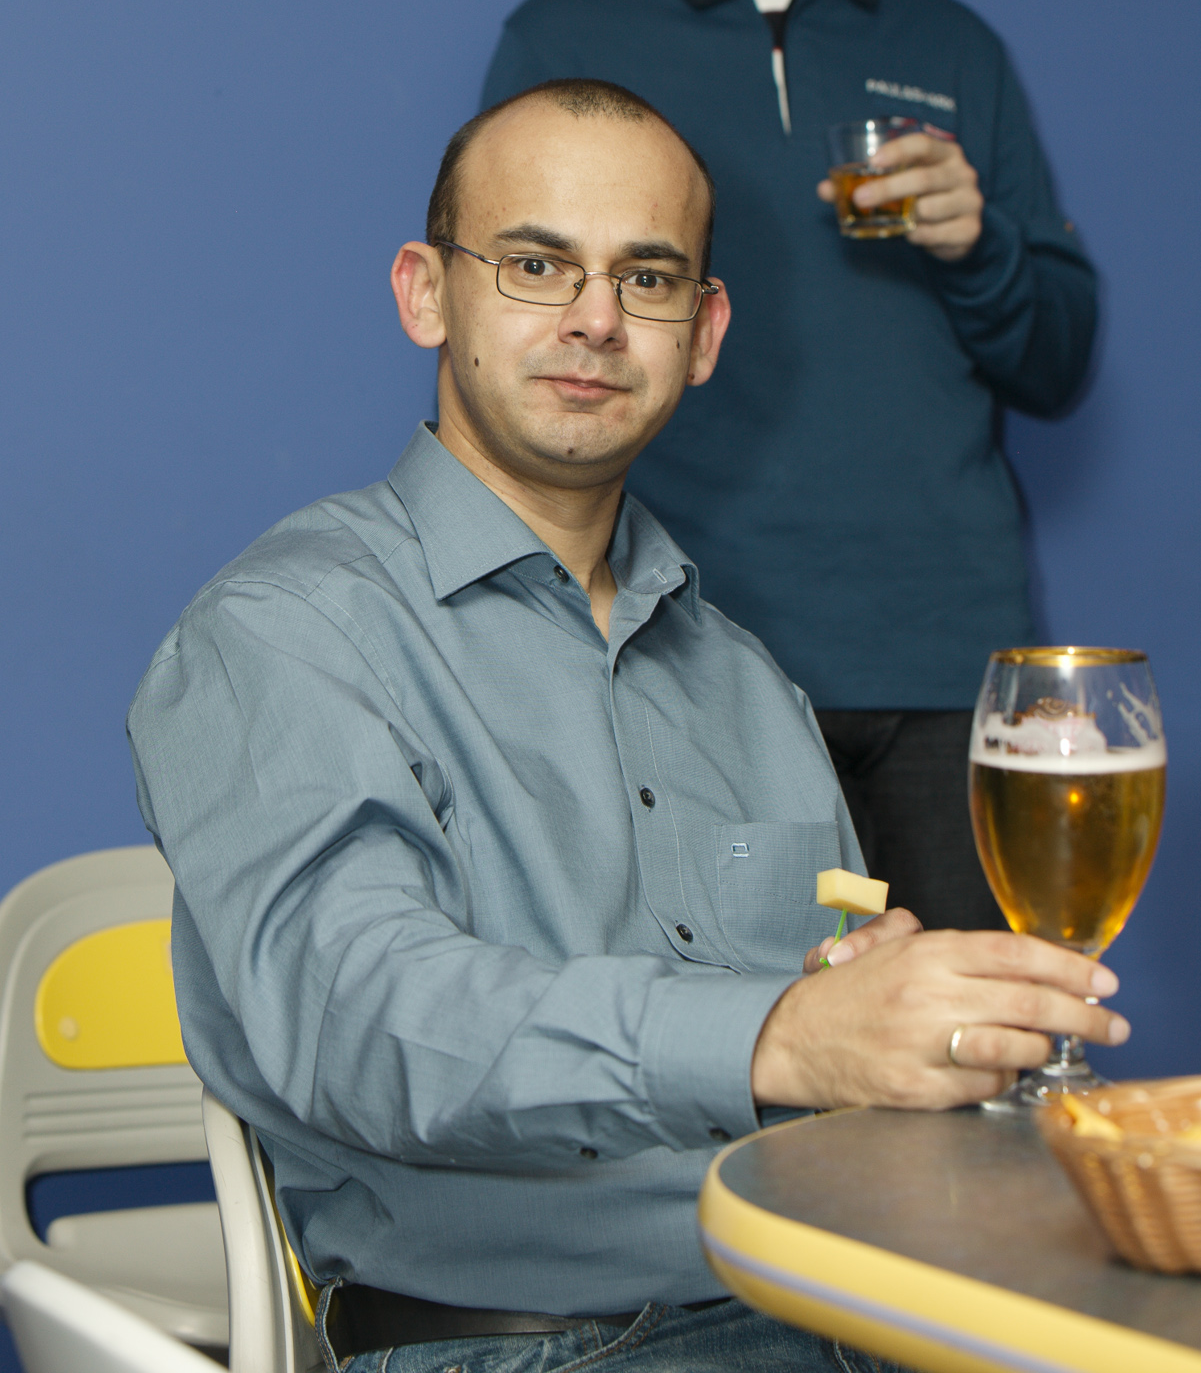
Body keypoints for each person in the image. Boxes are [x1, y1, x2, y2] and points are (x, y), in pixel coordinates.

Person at [128, 80, 1126, 1373]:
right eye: (536, 265)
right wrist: (776, 1036)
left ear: (701, 335)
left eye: (646, 279)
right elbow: (356, 1020)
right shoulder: (284, 631)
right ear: (426, 294)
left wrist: (880, 1027)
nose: (594, 320)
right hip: (523, 1348)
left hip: (848, 1317)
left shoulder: (748, 683)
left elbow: (826, 1042)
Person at [479, 0, 1100, 934]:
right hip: (680, 649)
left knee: (966, 1046)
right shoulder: (565, 39)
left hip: (944, 659)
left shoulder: (953, 47)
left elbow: (1056, 360)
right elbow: (506, 344)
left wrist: (976, 245)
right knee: (727, 1047)